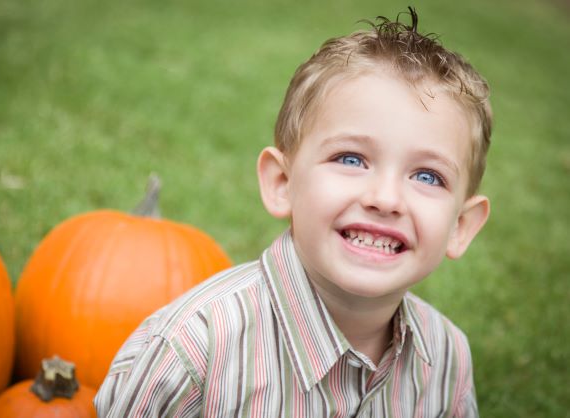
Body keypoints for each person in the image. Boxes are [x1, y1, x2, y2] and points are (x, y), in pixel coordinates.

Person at [94, 8, 492, 417]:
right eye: (352, 159)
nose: (386, 198)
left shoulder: (447, 358)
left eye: (427, 177)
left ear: (461, 226)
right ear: (282, 183)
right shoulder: (192, 354)